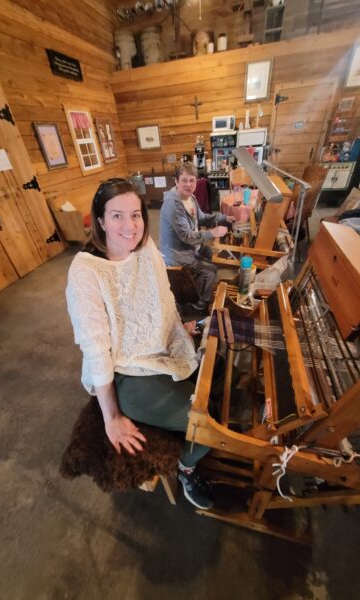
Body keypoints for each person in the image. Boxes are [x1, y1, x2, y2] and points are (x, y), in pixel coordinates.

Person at [66, 178, 213, 510]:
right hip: (126, 374)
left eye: (136, 215)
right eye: (117, 216)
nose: (130, 226)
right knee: (207, 422)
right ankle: (187, 465)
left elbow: (162, 300)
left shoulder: (145, 249)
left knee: (217, 383)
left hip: (163, 352)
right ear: (100, 220)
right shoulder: (85, 272)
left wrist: (179, 330)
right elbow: (96, 350)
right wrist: (112, 416)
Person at [159, 162, 235, 312]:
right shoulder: (173, 204)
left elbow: (201, 217)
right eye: (184, 180)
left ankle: (195, 289)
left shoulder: (191, 198)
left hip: (187, 246)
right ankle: (199, 303)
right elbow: (186, 236)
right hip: (175, 252)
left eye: (192, 180)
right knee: (211, 270)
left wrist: (223, 218)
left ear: (197, 181)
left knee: (207, 253)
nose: (188, 185)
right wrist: (212, 233)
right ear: (176, 181)